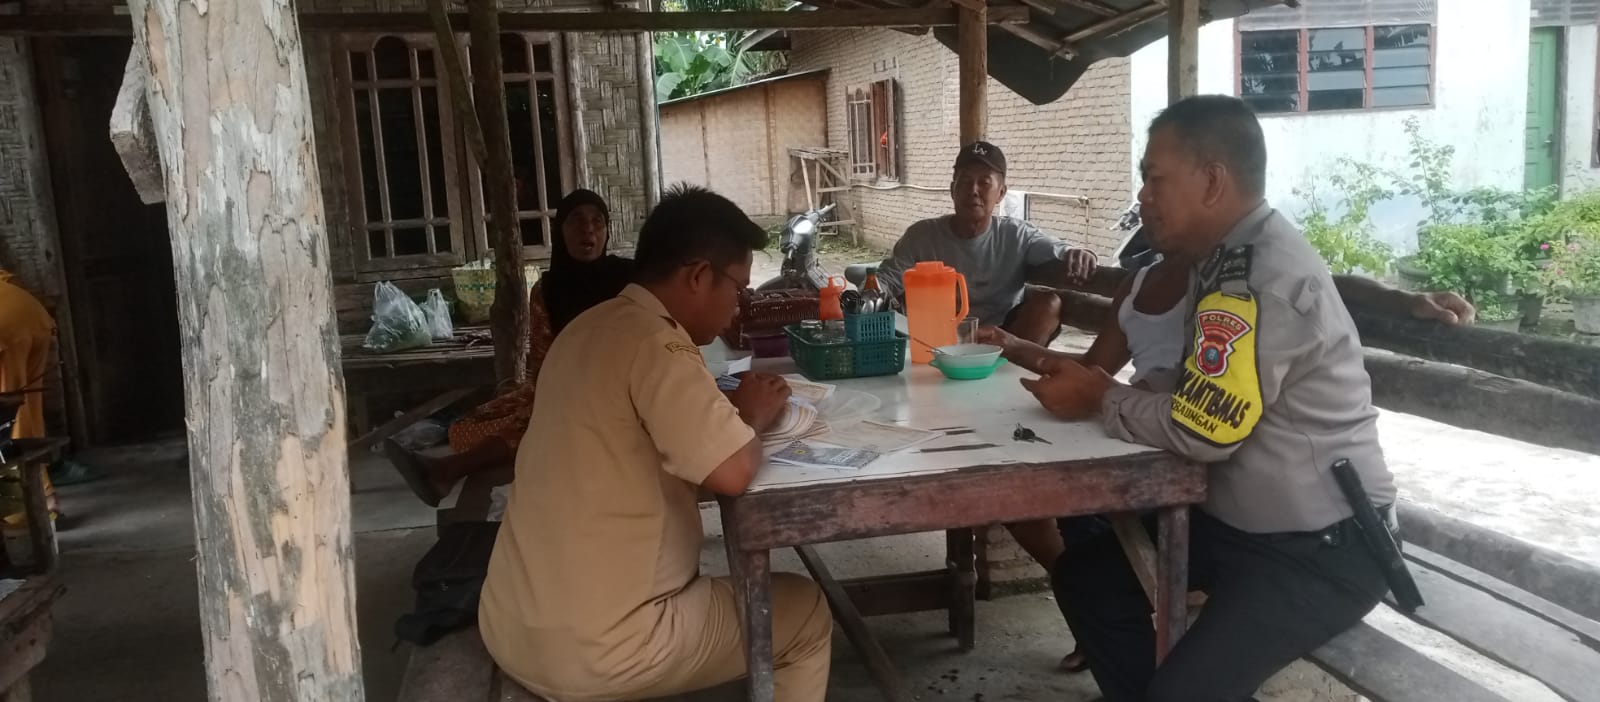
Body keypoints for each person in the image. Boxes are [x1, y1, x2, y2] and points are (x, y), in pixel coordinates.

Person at [998, 95, 1405, 702]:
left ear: (1212, 181)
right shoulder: (1223, 259)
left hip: (1323, 547)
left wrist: (1103, 396)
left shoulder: (1257, 276)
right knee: (1089, 578)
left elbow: (1204, 430)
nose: (1143, 196)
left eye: (1155, 178)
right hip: (1240, 527)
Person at [479, 184, 832, 702]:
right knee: (805, 614)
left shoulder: (589, 327)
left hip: (511, 622)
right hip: (599, 648)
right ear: (697, 275)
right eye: (737, 289)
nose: (739, 309)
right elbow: (733, 472)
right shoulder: (659, 343)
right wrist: (752, 417)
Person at [385, 189, 633, 506]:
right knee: (472, 425)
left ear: (608, 231)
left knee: (544, 421)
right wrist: (555, 390)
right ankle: (448, 471)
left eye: (598, 222)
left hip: (624, 389)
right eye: (577, 221)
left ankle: (446, 471)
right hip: (567, 384)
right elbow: (544, 359)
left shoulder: (630, 279)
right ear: (560, 231)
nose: (589, 230)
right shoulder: (547, 290)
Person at [874, 141, 1099, 346]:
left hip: (1003, 339)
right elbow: (888, 279)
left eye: (984, 182)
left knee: (1049, 304)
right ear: (953, 190)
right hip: (938, 339)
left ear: (1001, 193)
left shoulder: (1017, 234)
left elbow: (1055, 248)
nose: (973, 190)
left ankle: (1016, 376)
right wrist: (867, 295)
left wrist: (1076, 252)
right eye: (965, 182)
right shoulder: (922, 236)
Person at [0, 269, 58, 523]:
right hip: (35, 317)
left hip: (7, 329)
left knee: (5, 416)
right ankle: (46, 499)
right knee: (26, 407)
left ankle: (19, 512)